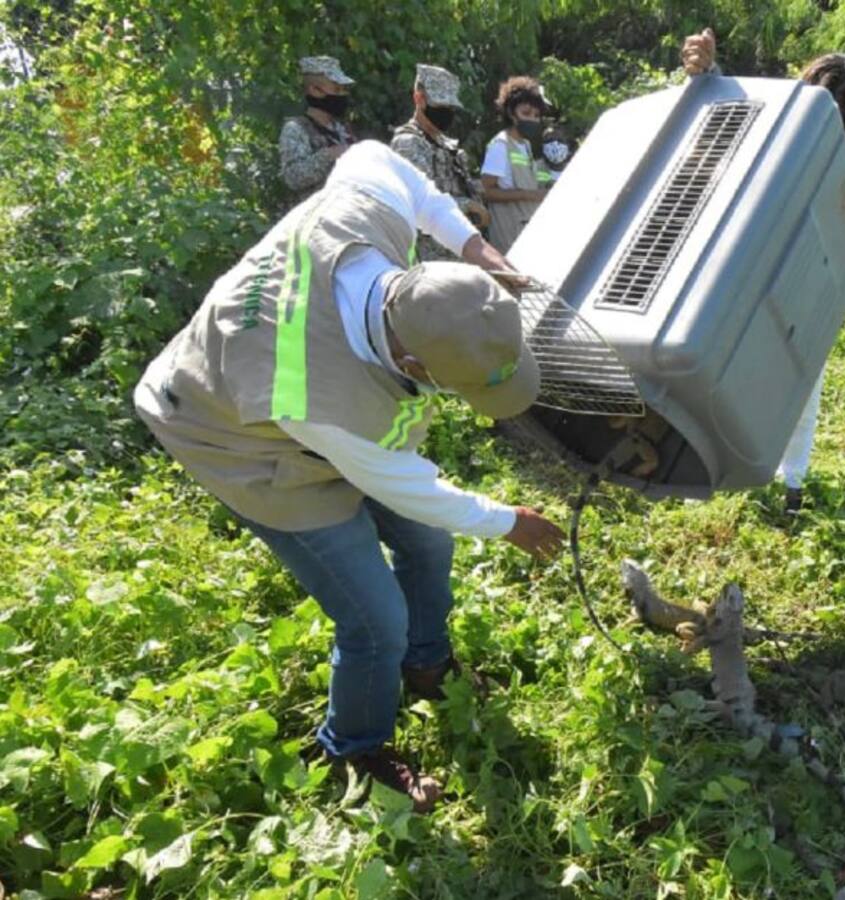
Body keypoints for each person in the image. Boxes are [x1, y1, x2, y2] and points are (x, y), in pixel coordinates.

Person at [134, 140, 566, 812]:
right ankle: (356, 752)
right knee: (374, 619)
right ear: (415, 366)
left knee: (427, 543)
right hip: (226, 428)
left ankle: (427, 664)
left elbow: (380, 158)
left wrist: (475, 247)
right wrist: (509, 522)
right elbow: (405, 485)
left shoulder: (368, 215)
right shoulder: (319, 399)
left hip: (289, 397)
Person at [682, 31, 845, 514]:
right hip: (756, 258)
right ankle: (718, 469)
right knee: (735, 366)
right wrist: (706, 76)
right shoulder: (782, 114)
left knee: (799, 380)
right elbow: (729, 119)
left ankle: (790, 484)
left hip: (810, 269)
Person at [390, 63, 490, 261]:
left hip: (459, 250)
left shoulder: (446, 144)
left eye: (450, 107)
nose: (446, 113)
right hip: (431, 257)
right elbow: (418, 202)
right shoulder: (408, 143)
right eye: (440, 106)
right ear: (419, 99)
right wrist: (468, 206)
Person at [480, 76, 550, 253]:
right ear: (511, 113)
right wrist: (530, 195)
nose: (532, 119)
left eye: (536, 116)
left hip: (527, 230)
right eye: (526, 113)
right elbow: (486, 192)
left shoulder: (525, 145)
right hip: (508, 235)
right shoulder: (500, 145)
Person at [279, 56, 357, 199]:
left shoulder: (342, 129)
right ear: (315, 90)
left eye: (343, 89)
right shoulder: (296, 129)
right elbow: (293, 178)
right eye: (336, 89)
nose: (342, 95)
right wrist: (329, 155)